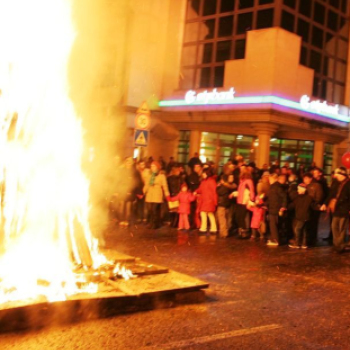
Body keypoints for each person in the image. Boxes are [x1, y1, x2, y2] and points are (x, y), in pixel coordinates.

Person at [321, 167, 350, 253]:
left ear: (342, 174)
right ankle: (337, 244)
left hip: (345, 208)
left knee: (342, 228)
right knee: (334, 226)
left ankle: (339, 246)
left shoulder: (348, 184)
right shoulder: (336, 183)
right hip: (336, 208)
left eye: (337, 174)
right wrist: (325, 204)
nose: (336, 176)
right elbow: (331, 194)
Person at [288, 183, 321, 249]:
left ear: (302, 190)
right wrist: (319, 208)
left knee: (297, 229)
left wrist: (286, 208)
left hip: (301, 216)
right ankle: (304, 244)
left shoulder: (298, 198)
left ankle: (297, 243)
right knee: (304, 230)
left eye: (299, 189)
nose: (297, 190)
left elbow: (292, 206)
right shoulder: (309, 198)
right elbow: (313, 206)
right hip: (306, 216)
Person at [144, 161, 170, 229]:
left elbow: (165, 186)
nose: (152, 168)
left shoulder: (161, 176)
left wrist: (167, 194)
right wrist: (142, 192)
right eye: (151, 166)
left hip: (157, 195)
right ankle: (151, 222)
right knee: (150, 210)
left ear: (157, 167)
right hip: (149, 194)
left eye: (154, 166)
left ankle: (155, 224)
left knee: (154, 210)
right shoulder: (149, 176)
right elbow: (146, 185)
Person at [303, 172, 323, 246]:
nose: (305, 180)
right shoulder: (307, 185)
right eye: (304, 179)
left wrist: (313, 203)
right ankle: (309, 239)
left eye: (306, 178)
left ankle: (311, 239)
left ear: (310, 178)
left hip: (314, 207)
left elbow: (319, 197)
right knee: (309, 224)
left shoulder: (316, 185)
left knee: (313, 223)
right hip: (309, 207)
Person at [266, 173, 287, 246]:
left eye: (270, 179)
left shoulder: (276, 187)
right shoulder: (274, 187)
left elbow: (284, 197)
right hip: (273, 208)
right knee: (273, 224)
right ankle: (273, 238)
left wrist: (283, 206)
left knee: (273, 225)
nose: (269, 181)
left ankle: (275, 240)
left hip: (275, 208)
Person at [195, 167, 218, 233]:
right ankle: (213, 228)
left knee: (204, 213)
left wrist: (215, 201)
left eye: (204, 173)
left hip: (208, 200)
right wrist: (196, 191)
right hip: (206, 200)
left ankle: (204, 228)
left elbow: (214, 192)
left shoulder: (209, 181)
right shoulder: (207, 181)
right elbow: (200, 189)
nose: (203, 174)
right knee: (209, 214)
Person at [234, 169, 255, 238]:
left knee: (241, 217)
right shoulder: (242, 182)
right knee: (239, 217)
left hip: (244, 201)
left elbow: (251, 191)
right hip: (240, 201)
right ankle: (241, 232)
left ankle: (243, 233)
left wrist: (251, 200)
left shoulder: (248, 182)